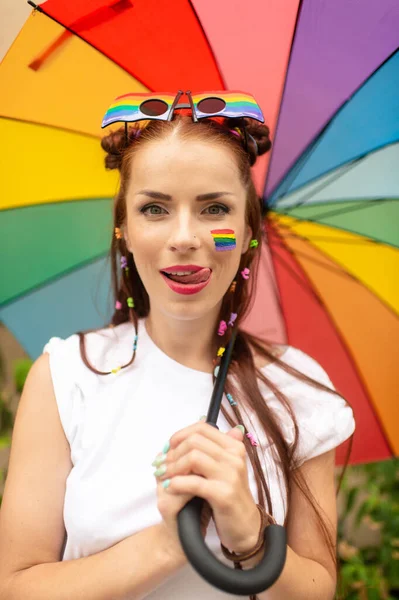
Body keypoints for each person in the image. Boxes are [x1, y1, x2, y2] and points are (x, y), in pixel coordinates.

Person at [0, 91, 355, 600]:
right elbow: (16, 588)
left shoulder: (298, 387)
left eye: (214, 207)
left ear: (250, 228)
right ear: (123, 227)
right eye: (155, 208)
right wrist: (171, 542)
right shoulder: (66, 377)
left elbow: (317, 589)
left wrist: (249, 532)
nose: (185, 236)